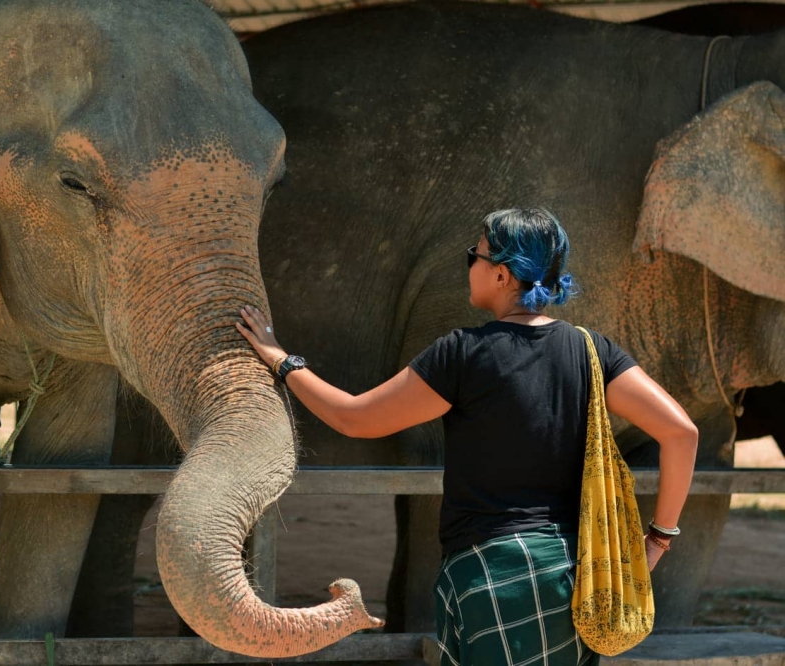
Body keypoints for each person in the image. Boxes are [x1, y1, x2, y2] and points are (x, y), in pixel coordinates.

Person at [236, 207, 698, 666]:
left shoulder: (463, 354)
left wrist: (281, 361)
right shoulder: (592, 351)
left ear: (501, 274)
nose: (469, 266)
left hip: (491, 579)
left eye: (473, 256)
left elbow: (354, 418)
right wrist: (657, 540)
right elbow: (682, 433)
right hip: (576, 583)